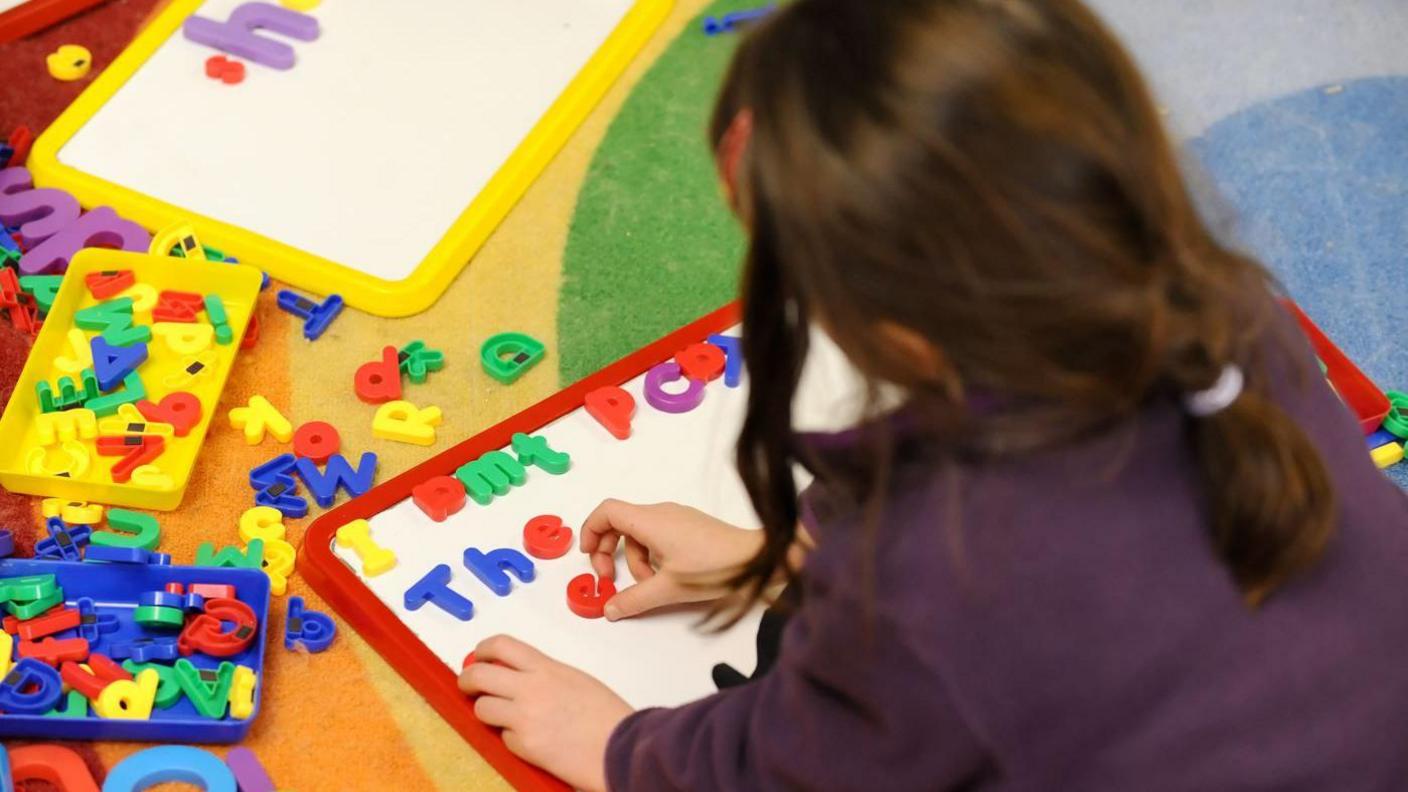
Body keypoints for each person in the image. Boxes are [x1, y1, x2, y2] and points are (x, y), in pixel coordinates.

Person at [459, 1, 1408, 789]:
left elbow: (804, 771)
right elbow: (1109, 597)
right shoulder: (1224, 308)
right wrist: (787, 557)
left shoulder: (931, 578)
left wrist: (621, 748)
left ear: (898, 321)